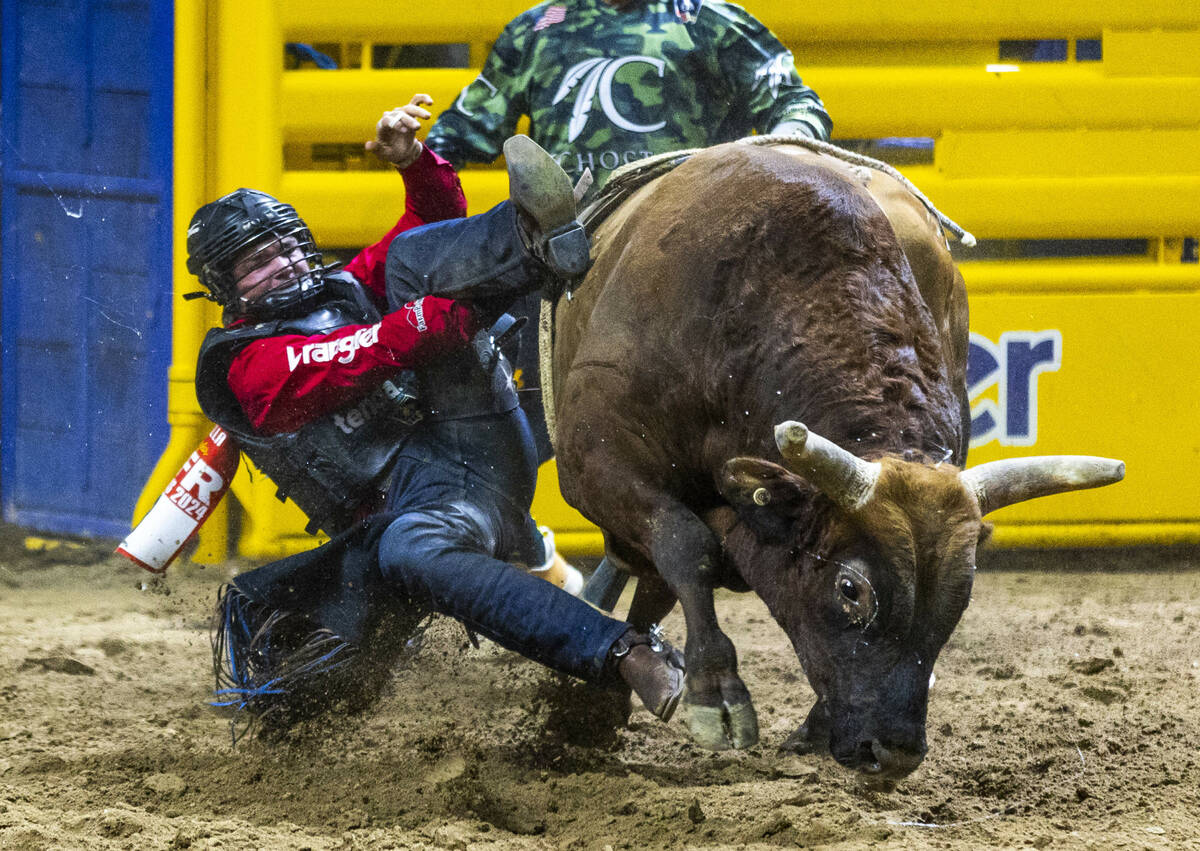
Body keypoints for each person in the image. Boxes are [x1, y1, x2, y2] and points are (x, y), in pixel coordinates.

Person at [189, 96, 683, 736]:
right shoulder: (241, 366)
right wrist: (438, 321)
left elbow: (433, 230)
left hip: (479, 433)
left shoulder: (345, 288)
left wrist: (417, 165)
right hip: (418, 503)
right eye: (257, 263)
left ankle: (547, 233)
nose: (282, 263)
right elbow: (350, 357)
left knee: (409, 259)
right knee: (406, 551)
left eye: (286, 245)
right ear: (226, 289)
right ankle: (625, 653)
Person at [424, 0, 833, 461]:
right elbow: (460, 133)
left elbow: (798, 104)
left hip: (695, 256)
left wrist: (769, 160)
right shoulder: (537, 30)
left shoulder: (709, 20)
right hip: (564, 259)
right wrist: (413, 153)